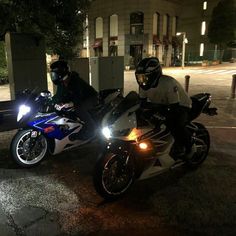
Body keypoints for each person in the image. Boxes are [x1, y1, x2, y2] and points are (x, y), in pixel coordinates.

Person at [135, 57, 193, 160]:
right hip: (160, 105)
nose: (142, 81)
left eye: (145, 77)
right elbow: (142, 103)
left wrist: (158, 113)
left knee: (175, 124)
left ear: (154, 75)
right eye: (140, 77)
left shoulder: (168, 83)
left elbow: (174, 107)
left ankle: (189, 147)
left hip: (181, 105)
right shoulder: (143, 86)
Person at [50, 60, 98, 140]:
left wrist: (68, 104)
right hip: (77, 99)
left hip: (90, 98)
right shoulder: (61, 83)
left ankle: (92, 129)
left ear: (61, 73)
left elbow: (78, 97)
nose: (53, 77)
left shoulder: (75, 81)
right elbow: (59, 95)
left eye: (55, 74)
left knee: (79, 109)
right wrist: (53, 102)